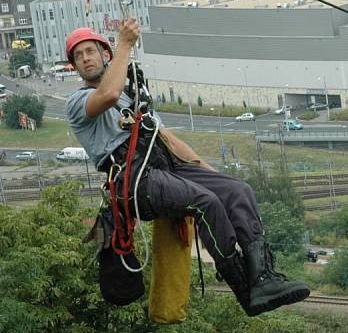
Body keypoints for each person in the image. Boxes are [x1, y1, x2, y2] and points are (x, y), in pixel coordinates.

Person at [65, 21, 309, 316]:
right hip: (134, 181)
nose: (85, 59)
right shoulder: (78, 102)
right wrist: (125, 46)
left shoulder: (135, 99)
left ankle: (263, 278)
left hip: (164, 165)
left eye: (90, 51)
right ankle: (246, 291)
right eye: (78, 56)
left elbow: (167, 139)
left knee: (236, 191)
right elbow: (108, 96)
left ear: (105, 56)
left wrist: (211, 175)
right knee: (206, 203)